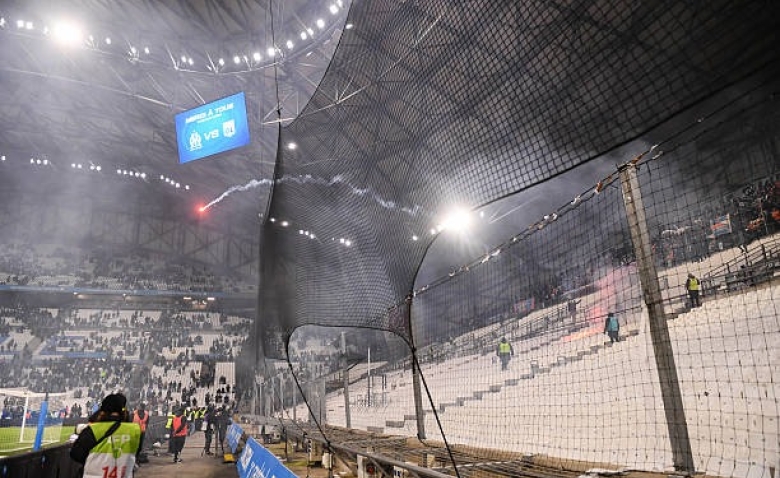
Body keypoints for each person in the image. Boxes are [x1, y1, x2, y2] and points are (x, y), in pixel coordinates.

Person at [70, 393, 141, 478]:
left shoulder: (93, 430)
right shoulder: (134, 430)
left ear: (102, 411)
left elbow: (76, 454)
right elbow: (136, 451)